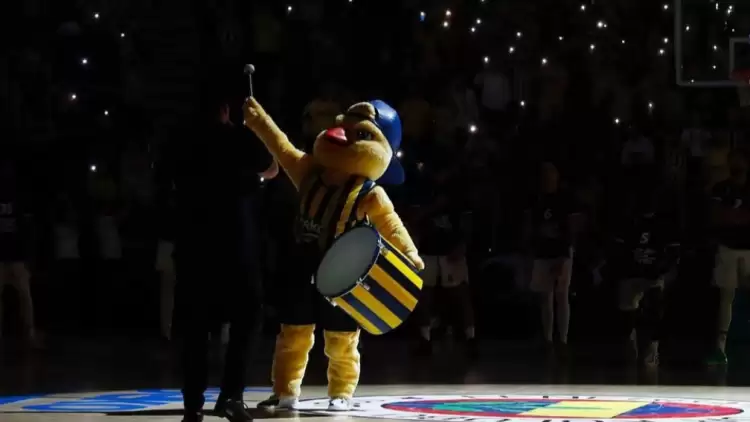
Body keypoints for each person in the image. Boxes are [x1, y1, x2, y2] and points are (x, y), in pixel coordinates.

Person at [163, 99, 277, 422]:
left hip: (193, 247)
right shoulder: (237, 136)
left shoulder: (179, 138)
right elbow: (272, 169)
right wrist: (257, 130)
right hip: (235, 246)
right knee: (247, 319)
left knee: (195, 329)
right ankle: (231, 396)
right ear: (226, 109)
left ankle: (192, 404)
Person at [606, 171, 680, 367]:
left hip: (653, 275)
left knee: (656, 303)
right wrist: (628, 267)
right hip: (631, 274)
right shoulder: (628, 221)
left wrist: (660, 269)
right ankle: (630, 341)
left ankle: (653, 348)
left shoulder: (665, 223)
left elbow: (672, 253)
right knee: (626, 311)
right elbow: (618, 251)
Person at [413, 163, 477, 358]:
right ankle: (425, 339)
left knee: (461, 296)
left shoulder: (459, 195)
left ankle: (471, 338)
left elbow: (468, 224)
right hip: (428, 253)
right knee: (425, 297)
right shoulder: (423, 192)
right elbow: (414, 218)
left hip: (452, 253)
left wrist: (462, 246)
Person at [524, 162, 582, 359]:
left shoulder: (566, 199)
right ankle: (548, 340)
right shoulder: (537, 199)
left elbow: (572, 230)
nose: (547, 180)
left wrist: (564, 256)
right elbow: (531, 226)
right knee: (545, 297)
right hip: (542, 253)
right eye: (544, 176)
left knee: (561, 295)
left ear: (557, 177)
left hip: (561, 252)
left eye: (550, 176)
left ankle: (563, 340)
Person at [707, 150, 750, 365]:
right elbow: (717, 216)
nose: (737, 162)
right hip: (727, 248)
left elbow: (731, 216)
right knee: (726, 297)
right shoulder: (720, 188)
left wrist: (733, 217)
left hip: (749, 250)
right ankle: (720, 349)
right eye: (734, 159)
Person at [0, 159, 38, 347]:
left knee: (25, 295)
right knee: (22, 295)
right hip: (2, 257)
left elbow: (27, 230)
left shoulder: (19, 200)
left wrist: (28, 257)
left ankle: (29, 332)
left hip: (17, 257)